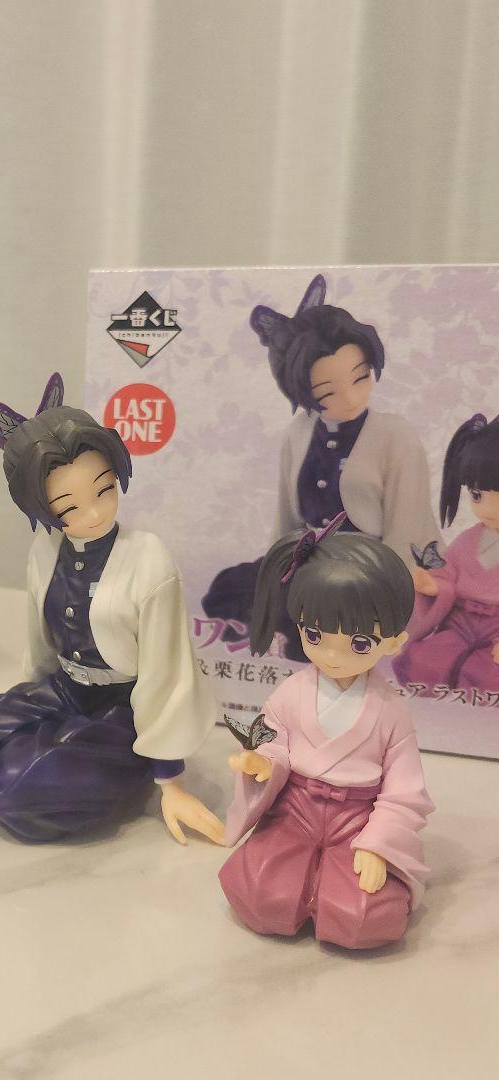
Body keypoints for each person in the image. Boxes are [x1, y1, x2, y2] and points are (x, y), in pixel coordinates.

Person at [0, 373, 223, 845]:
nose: (93, 515)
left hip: (124, 708)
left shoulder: (148, 559)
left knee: (14, 791)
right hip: (66, 689)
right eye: (68, 508)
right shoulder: (46, 549)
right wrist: (32, 707)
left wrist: (170, 778)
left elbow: (167, 672)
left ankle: (126, 769)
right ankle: (52, 761)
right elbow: (40, 640)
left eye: (104, 490)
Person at [219, 515, 433, 949]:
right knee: (260, 894)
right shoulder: (292, 692)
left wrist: (377, 844)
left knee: (363, 917)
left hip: (358, 817)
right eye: (315, 635)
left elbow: (403, 792)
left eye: (359, 643)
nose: (333, 656)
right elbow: (274, 741)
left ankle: (333, 889)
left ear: (393, 642)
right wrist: (264, 763)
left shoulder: (391, 712)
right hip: (294, 809)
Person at [203, 274, 440, 658]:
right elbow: (286, 516)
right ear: (301, 391)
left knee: (319, 618)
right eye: (327, 392)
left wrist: (393, 591)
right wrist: (274, 568)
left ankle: (311, 636)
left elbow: (406, 525)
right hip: (308, 556)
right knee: (227, 590)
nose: (351, 399)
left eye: (361, 377)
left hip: (368, 566)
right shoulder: (297, 433)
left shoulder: (395, 435)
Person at [393, 413, 499, 694]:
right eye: (477, 495)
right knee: (427, 662)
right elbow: (447, 576)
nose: (489, 510)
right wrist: (434, 586)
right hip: (460, 622)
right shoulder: (468, 541)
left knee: (486, 676)